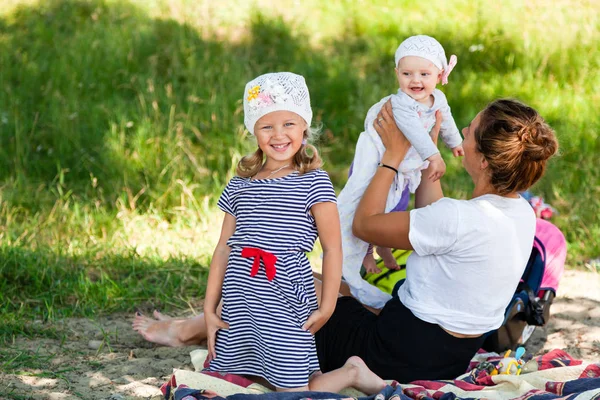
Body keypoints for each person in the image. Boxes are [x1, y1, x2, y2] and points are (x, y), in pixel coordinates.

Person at [135, 96, 558, 384]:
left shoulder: (457, 218)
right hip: (446, 356)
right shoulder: (518, 212)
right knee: (328, 283)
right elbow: (436, 218)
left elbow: (364, 224)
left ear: (481, 159)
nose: (461, 129)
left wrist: (392, 156)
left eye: (470, 130)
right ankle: (196, 326)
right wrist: (425, 148)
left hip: (392, 351)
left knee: (274, 277)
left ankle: (192, 331)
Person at [135, 72, 386, 394]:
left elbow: (332, 249)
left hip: (285, 302)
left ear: (305, 127)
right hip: (239, 299)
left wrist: (327, 307)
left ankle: (351, 373)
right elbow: (223, 248)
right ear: (253, 131)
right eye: (267, 126)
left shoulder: (314, 182)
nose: (278, 135)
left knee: (292, 389)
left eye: (289, 124)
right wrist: (210, 311)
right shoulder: (241, 183)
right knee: (234, 377)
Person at [339, 35, 464, 309]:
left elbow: (447, 122)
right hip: (377, 158)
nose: (415, 80)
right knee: (367, 202)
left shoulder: (438, 99)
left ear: (440, 74)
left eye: (424, 74)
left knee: (397, 205)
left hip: (402, 164)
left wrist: (455, 143)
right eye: (407, 73)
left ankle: (382, 245)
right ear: (397, 74)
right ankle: (364, 252)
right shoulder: (401, 104)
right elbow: (413, 133)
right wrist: (434, 157)